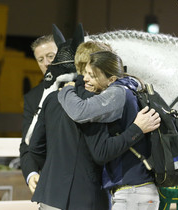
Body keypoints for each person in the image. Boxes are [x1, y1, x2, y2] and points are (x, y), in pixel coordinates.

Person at [58, 51, 160, 209]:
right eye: (85, 73)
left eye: (92, 75)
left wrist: (66, 90)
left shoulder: (117, 92)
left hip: (133, 192)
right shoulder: (129, 89)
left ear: (111, 79)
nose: (85, 78)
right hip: (135, 192)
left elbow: (79, 111)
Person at [20, 34, 58, 193]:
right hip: (51, 180)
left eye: (50, 56)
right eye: (40, 60)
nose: (46, 63)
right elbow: (26, 144)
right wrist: (31, 173)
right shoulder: (32, 97)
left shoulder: (85, 86)